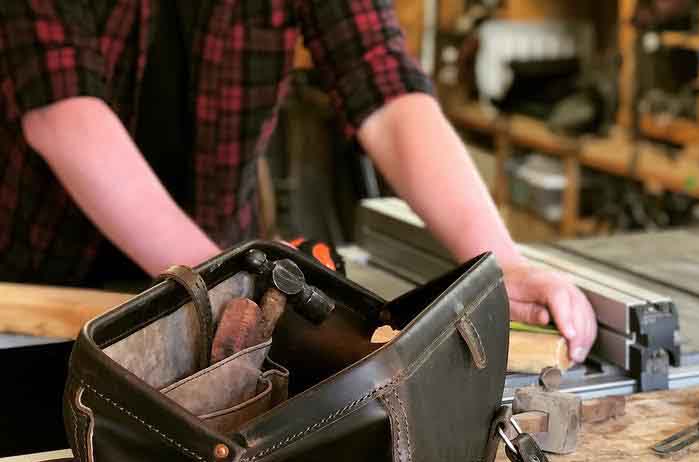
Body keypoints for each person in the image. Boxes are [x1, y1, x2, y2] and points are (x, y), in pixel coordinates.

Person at [0, 1, 597, 362]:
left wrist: (501, 263)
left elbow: (385, 89)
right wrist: (226, 284)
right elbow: (63, 113)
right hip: (42, 290)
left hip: (214, 287)